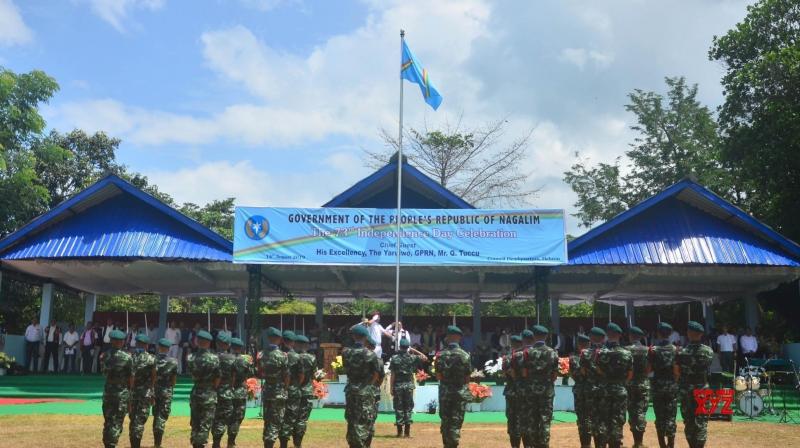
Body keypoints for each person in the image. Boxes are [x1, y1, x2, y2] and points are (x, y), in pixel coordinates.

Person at [520, 325, 559, 448]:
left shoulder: (527, 353)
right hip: (546, 391)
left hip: (530, 391)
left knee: (532, 420)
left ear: (534, 336)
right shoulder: (552, 352)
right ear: (546, 336)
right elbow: (554, 375)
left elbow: (524, 373)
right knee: (545, 420)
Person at [343, 324, 381, 448]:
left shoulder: (345, 352)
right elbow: (376, 374)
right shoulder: (370, 355)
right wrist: (369, 385)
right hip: (365, 391)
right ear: (365, 337)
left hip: (351, 390)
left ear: (353, 336)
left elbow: (346, 369)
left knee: (352, 420)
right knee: (365, 421)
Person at [677, 321, 714, 448]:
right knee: (702, 421)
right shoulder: (708, 351)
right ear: (701, 334)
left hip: (686, 389)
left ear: (689, 333)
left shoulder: (681, 352)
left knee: (689, 421)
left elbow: (677, 370)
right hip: (702, 389)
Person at [596, 323, 633, 448]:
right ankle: (616, 444)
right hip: (620, 388)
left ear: (607, 334)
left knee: (603, 418)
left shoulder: (601, 352)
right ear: (620, 335)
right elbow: (630, 373)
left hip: (605, 389)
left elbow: (599, 370)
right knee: (618, 419)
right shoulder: (627, 353)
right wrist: (621, 383)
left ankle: (602, 443)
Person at [434, 325, 471, 448]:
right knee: (455, 422)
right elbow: (467, 378)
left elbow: (438, 376)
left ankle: (446, 445)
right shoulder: (465, 355)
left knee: (445, 421)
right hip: (459, 392)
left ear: (449, 337)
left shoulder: (440, 355)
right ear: (458, 337)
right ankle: (453, 445)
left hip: (445, 392)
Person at [389, 338, 428, 438]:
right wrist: (413, 350)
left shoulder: (394, 358)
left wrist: (391, 387)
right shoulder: (412, 357)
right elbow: (425, 358)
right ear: (407, 347)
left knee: (399, 408)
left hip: (398, 386)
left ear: (400, 346)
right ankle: (407, 433)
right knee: (408, 408)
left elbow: (392, 375)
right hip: (409, 385)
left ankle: (399, 432)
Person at [188, 330, 221, 448]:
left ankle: (195, 445)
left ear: (197, 341)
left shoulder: (190, 358)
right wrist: (212, 388)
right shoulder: (214, 359)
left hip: (196, 391)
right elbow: (217, 378)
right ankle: (200, 444)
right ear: (209, 342)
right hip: (209, 393)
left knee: (195, 423)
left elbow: (191, 374)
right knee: (205, 423)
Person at [101, 329, 133, 448]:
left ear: (111, 341)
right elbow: (131, 377)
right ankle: (111, 444)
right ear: (122, 342)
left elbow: (103, 373)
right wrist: (130, 392)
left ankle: (107, 444)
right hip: (121, 393)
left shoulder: (105, 355)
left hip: (108, 391)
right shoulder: (127, 357)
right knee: (117, 423)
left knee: (108, 421)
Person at [650, 322, 679, 448]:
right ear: (670, 334)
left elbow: (649, 369)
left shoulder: (653, 350)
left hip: (657, 385)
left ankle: (662, 444)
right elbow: (677, 371)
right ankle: (671, 444)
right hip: (671, 385)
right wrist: (674, 381)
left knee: (659, 416)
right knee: (671, 416)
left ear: (658, 333)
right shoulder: (676, 350)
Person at [259, 327, 289, 448]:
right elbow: (286, 375)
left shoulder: (262, 354)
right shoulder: (283, 355)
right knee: (277, 420)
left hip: (267, 390)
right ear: (280, 339)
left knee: (268, 420)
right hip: (279, 391)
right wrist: (285, 388)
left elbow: (260, 372)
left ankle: (267, 444)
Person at [129, 334, 156, 448]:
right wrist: (152, 392)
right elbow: (154, 377)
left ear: (136, 343)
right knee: (140, 420)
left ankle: (133, 444)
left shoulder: (129, 357)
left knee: (133, 418)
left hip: (131, 392)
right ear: (147, 345)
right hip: (145, 392)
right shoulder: (151, 358)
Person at [626, 326, 650, 448]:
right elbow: (650, 368)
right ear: (641, 337)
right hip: (643, 383)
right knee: (641, 412)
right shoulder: (648, 350)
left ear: (630, 336)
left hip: (629, 384)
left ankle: (636, 441)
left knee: (632, 411)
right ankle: (639, 442)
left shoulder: (626, 350)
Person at [582, 327, 606, 448]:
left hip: (591, 390)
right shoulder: (609, 351)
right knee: (607, 418)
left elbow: (583, 372)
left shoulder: (585, 353)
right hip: (606, 390)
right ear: (603, 338)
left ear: (590, 338)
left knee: (594, 419)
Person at [152, 338, 178, 448]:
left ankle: (156, 442)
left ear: (159, 347)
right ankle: (158, 444)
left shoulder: (152, 359)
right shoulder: (173, 362)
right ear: (168, 349)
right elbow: (174, 380)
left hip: (153, 390)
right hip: (166, 391)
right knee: (161, 416)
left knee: (156, 414)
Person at [292, 335, 316, 448]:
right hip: (306, 391)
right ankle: (298, 443)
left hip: (293, 390)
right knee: (302, 419)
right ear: (306, 345)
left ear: (296, 344)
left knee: (291, 417)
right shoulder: (312, 358)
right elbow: (314, 375)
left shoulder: (292, 357)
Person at [212, 333, 235, 448]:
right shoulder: (232, 359)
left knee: (212, 417)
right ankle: (217, 443)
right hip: (226, 392)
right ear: (228, 345)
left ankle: (215, 443)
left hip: (211, 391)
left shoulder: (211, 358)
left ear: (216, 344)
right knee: (222, 418)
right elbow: (234, 377)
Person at [278, 330, 301, 448]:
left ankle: (283, 443)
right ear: (293, 342)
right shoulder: (297, 357)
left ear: (282, 341)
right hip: (293, 390)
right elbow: (301, 375)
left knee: (281, 416)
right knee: (291, 417)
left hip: (279, 390)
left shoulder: (278, 355)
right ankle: (290, 444)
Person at [570, 334, 592, 448]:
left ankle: (585, 444)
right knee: (597, 418)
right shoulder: (596, 356)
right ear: (589, 344)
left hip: (580, 390)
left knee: (583, 419)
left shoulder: (574, 358)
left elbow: (573, 375)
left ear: (579, 345)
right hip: (594, 390)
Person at [364, 336, 384, 446]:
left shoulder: (360, 358)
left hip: (361, 391)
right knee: (371, 418)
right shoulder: (379, 361)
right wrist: (374, 386)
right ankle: (368, 443)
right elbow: (381, 378)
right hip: (374, 391)